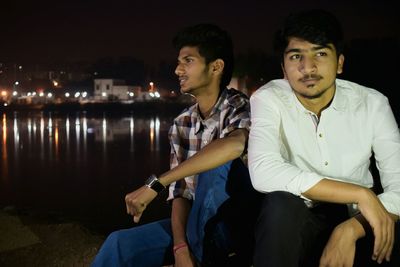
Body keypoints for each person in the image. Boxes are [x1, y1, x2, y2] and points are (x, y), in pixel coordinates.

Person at [91, 23, 260, 267]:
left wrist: (156, 184)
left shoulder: (240, 107)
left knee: (213, 169)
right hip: (194, 228)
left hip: (233, 224)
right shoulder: (182, 123)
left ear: (216, 67)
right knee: (118, 244)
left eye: (188, 61)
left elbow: (235, 144)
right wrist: (180, 248)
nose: (178, 70)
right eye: (179, 62)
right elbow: (180, 195)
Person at [248, 9, 400, 267]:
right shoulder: (268, 97)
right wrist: (362, 193)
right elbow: (263, 171)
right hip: (298, 218)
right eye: (296, 56)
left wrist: (350, 229)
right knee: (280, 204)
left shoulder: (373, 104)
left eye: (320, 53)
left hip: (357, 218)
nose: (308, 68)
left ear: (339, 62)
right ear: (283, 68)